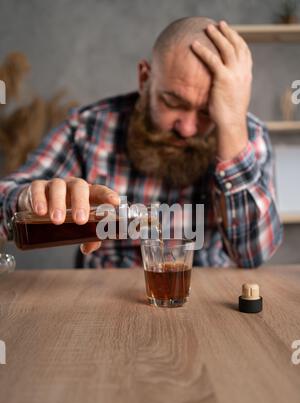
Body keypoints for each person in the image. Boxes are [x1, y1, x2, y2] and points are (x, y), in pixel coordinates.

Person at [0, 17, 283, 268]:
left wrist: (231, 127)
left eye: (208, 111)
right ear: (145, 78)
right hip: (99, 304)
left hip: (204, 307)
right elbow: (5, 201)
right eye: (172, 101)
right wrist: (27, 199)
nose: (186, 128)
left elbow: (252, 255)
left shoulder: (247, 135)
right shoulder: (87, 129)